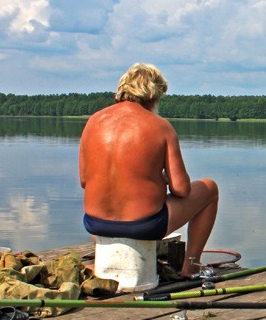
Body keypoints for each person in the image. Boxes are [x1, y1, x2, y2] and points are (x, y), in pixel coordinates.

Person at [79, 63, 219, 277]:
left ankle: (101, 260)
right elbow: (182, 190)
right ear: (154, 96)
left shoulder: (93, 121)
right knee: (210, 189)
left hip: (95, 225)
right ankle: (191, 266)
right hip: (144, 226)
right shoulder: (160, 126)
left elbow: (84, 181)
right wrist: (162, 179)